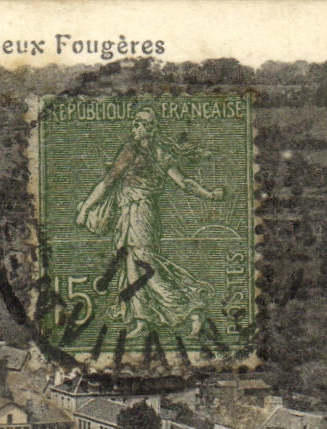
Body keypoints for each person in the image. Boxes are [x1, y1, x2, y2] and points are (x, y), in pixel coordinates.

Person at [75, 107, 225, 341]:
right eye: (134, 123)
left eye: (139, 123)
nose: (134, 128)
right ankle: (142, 319)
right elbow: (184, 182)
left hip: (138, 213)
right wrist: (209, 194)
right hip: (140, 214)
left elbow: (107, 182)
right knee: (132, 265)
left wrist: (85, 207)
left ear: (150, 128)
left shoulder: (132, 151)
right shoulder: (162, 153)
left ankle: (192, 308)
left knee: (146, 265)